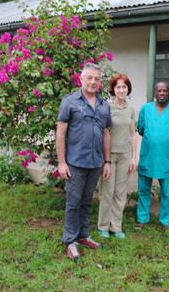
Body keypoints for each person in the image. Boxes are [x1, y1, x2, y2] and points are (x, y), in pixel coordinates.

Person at [56, 63, 113, 261]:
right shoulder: (70, 101)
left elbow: (106, 134)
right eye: (89, 78)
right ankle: (70, 241)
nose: (93, 82)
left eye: (96, 79)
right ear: (81, 79)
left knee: (87, 201)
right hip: (75, 163)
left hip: (96, 162)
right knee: (73, 202)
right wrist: (62, 163)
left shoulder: (104, 104)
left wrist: (107, 161)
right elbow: (60, 133)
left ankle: (83, 235)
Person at [136, 81, 169, 230]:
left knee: (166, 192)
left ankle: (166, 221)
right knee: (144, 189)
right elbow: (141, 129)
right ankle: (142, 218)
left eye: (165, 90)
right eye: (159, 90)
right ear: (154, 92)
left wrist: (166, 139)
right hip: (148, 156)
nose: (162, 93)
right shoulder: (145, 109)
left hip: (165, 157)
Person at [97, 74, 137, 239]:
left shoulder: (130, 108)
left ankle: (116, 227)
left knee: (120, 193)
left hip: (125, 155)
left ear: (128, 89)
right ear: (113, 89)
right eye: (118, 87)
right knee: (107, 192)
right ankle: (103, 226)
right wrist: (105, 159)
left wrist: (134, 157)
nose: (121, 90)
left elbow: (133, 134)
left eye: (124, 87)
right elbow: (103, 132)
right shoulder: (105, 107)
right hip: (109, 156)